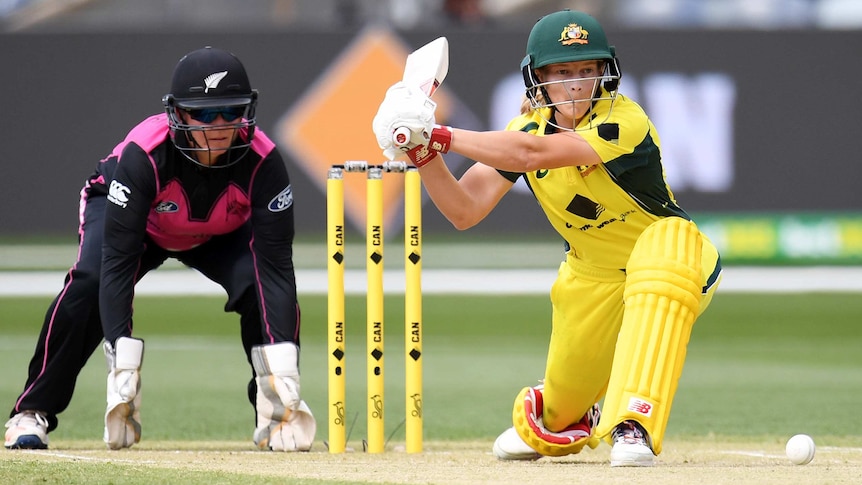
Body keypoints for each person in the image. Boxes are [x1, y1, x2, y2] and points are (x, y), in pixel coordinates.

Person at [372, 10, 721, 467]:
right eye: (562, 73)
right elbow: (463, 210)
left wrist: (438, 133)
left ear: (604, 73)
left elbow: (532, 154)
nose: (577, 84)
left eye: (586, 70)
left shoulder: (624, 120)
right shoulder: (524, 130)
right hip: (591, 275)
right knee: (559, 414)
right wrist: (421, 152)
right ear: (538, 78)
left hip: (670, 250)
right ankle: (568, 414)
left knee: (661, 260)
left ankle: (632, 423)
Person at [5, 46, 315, 452]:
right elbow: (116, 265)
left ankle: (272, 413)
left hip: (219, 232)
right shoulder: (145, 156)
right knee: (90, 280)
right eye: (203, 114)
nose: (219, 125)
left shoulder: (263, 160)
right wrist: (123, 372)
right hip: (141, 225)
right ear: (178, 113)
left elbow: (276, 270)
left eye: (231, 111)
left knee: (257, 284)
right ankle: (32, 411)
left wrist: (284, 383)